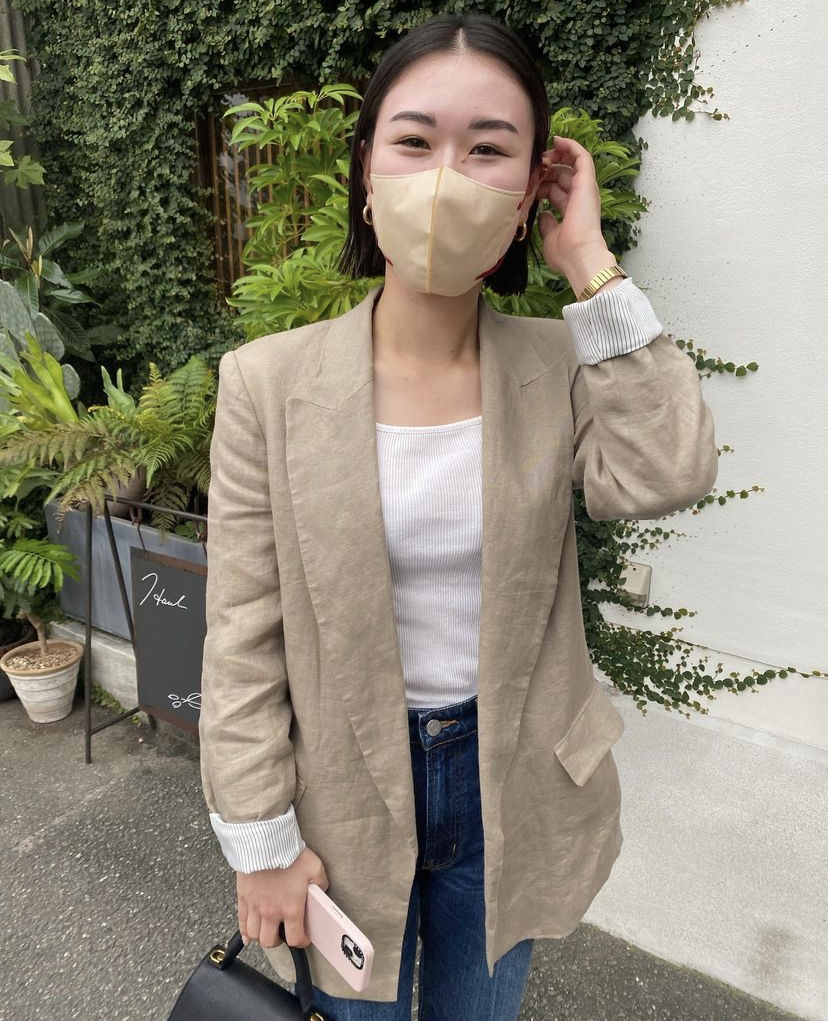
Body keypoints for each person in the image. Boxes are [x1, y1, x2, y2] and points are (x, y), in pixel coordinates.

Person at [198, 12, 718, 1021]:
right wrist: (258, 839)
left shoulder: (560, 365)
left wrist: (589, 262)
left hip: (513, 783)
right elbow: (243, 631)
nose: (446, 177)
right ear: (366, 170)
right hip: (344, 793)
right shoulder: (268, 381)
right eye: (414, 140)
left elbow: (664, 470)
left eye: (488, 149)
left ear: (530, 192)